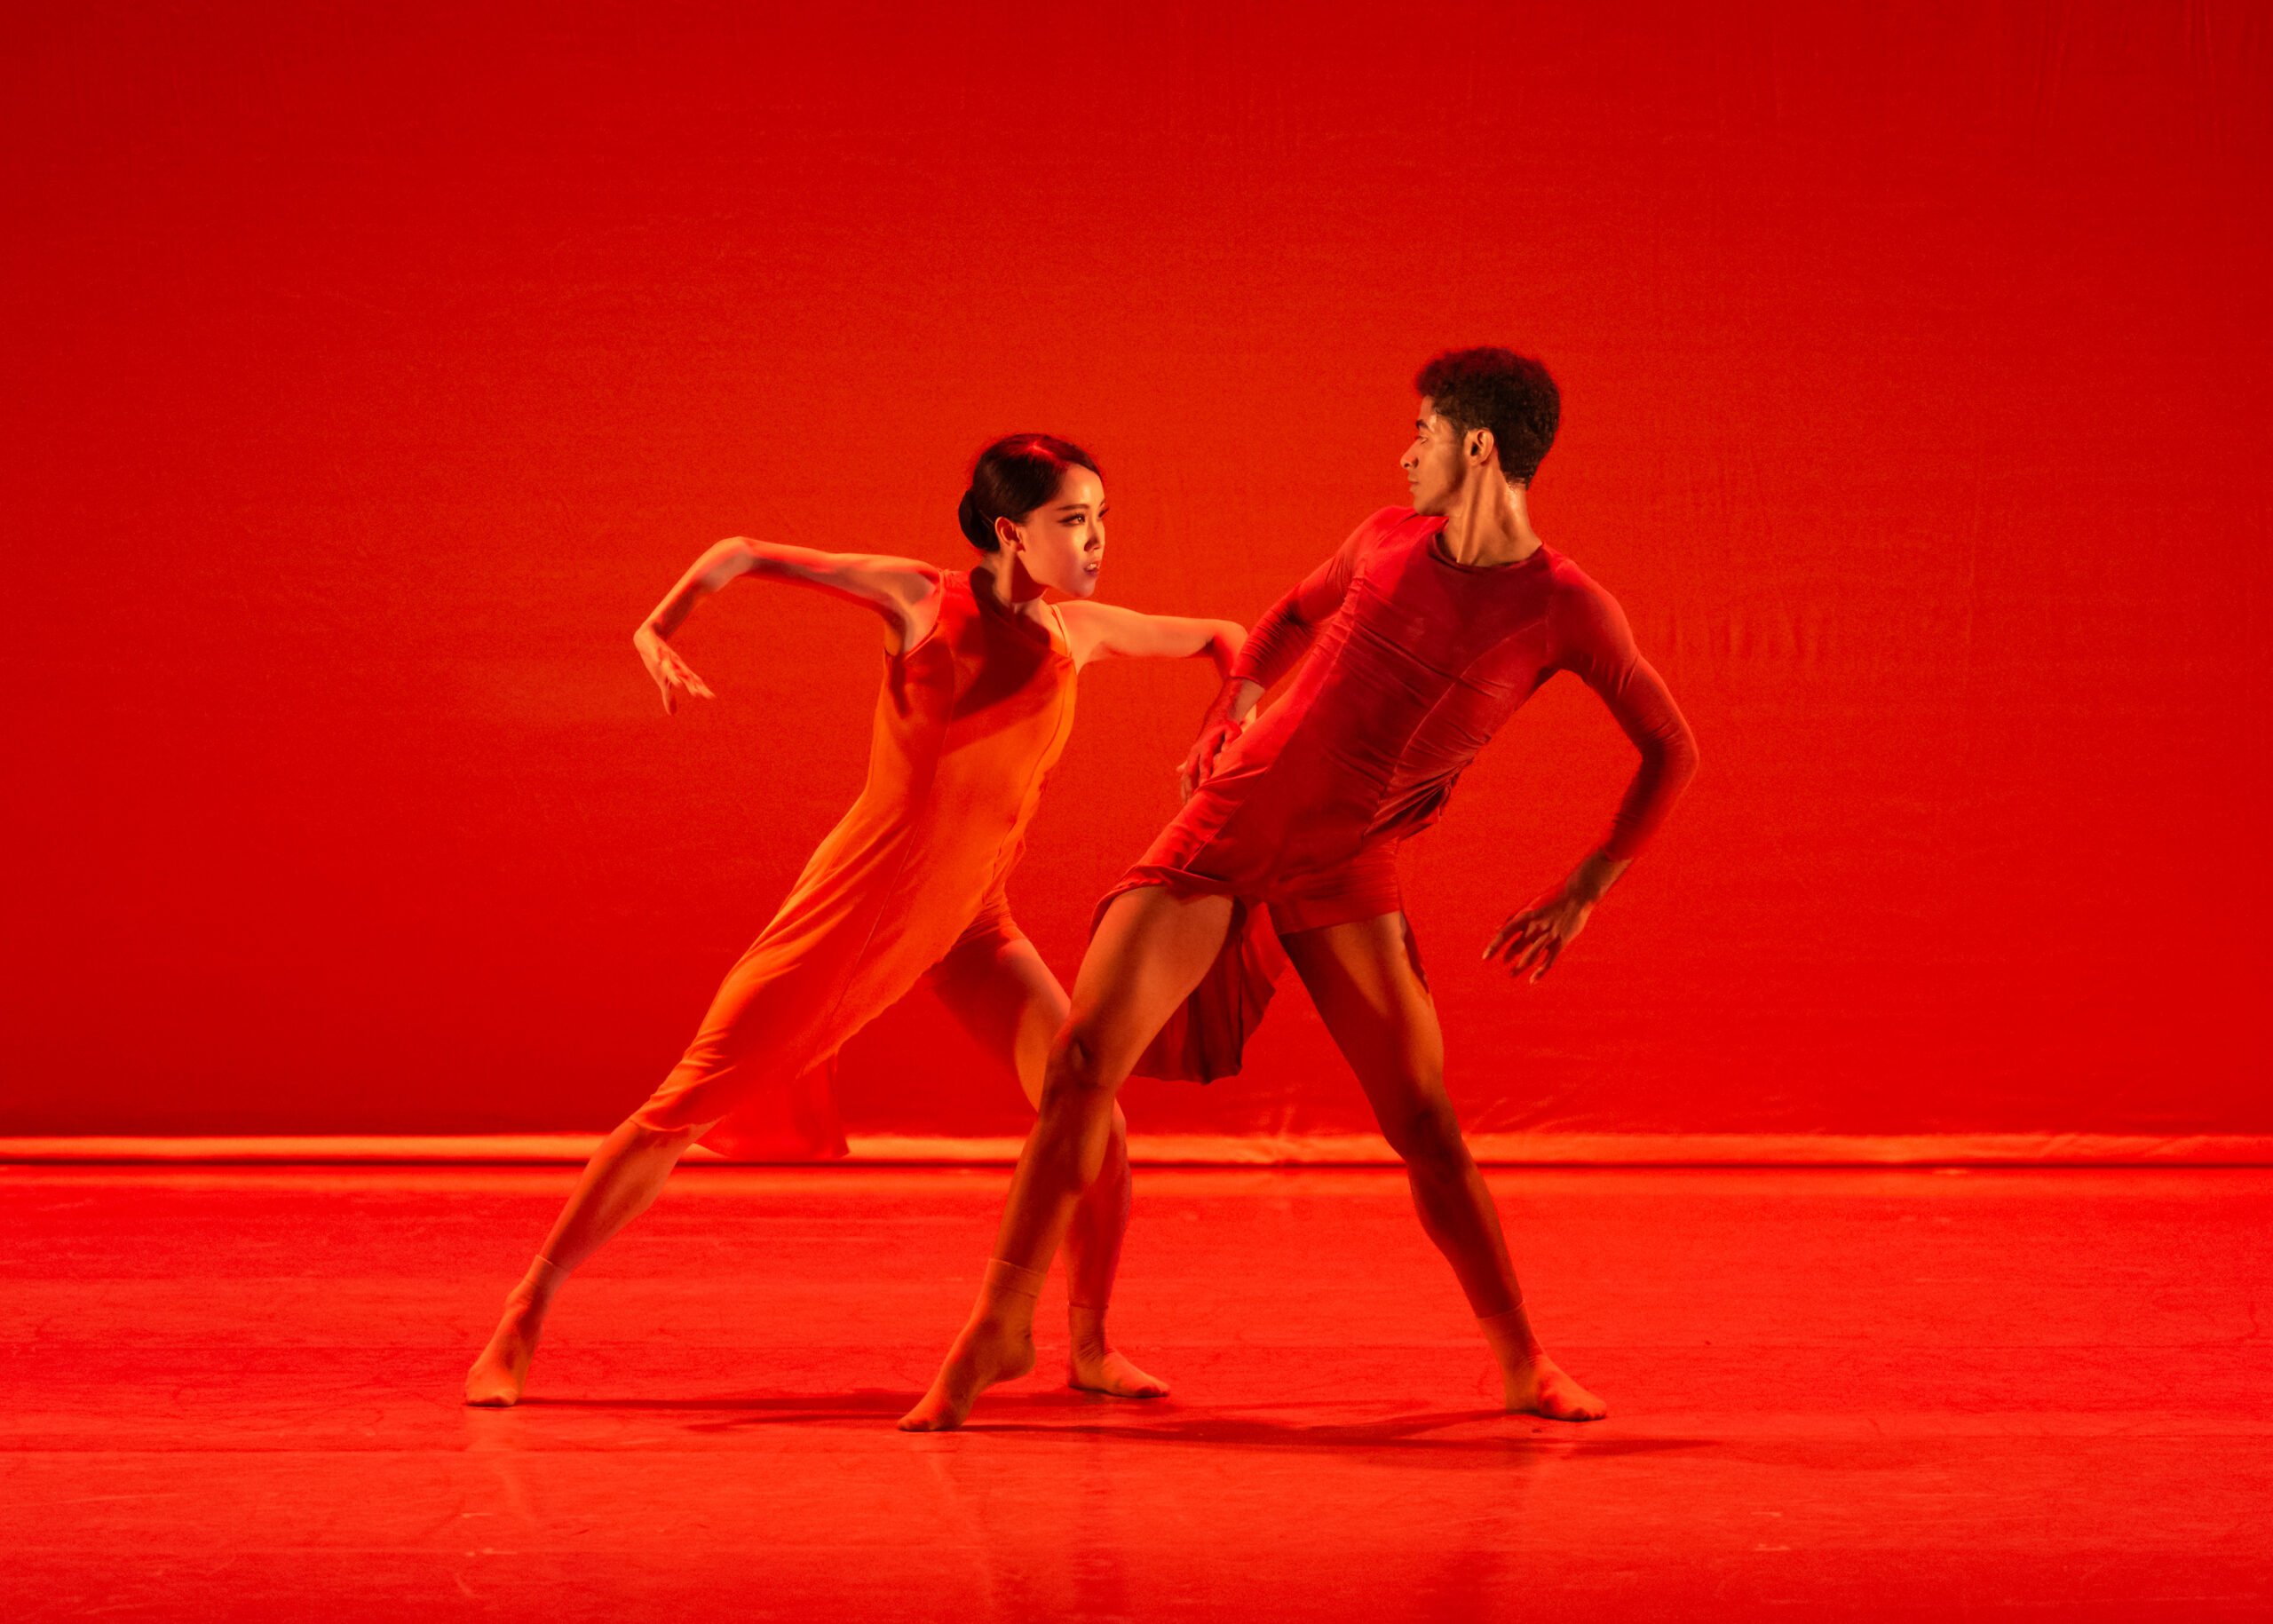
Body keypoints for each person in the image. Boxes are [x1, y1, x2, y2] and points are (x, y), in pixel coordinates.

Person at [903, 348, 1699, 1431]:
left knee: (1424, 1120)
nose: (1404, 452)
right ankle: (1002, 1322)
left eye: (1420, 433)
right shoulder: (1381, 537)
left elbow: (1670, 747)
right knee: (1084, 1058)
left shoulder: (1566, 608)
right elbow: (1283, 616)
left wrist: (1586, 884)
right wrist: (1233, 699)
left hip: (1344, 862)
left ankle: (1522, 1359)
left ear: (1474, 446)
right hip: (1233, 820)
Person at [465, 434, 1244, 1407]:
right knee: (678, 1109)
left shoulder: (1074, 634)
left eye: (1101, 520)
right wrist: (658, 626)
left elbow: (1226, 634)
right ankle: (525, 1311)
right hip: (856, 906)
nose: (1095, 542)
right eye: (1072, 521)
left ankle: (1088, 1343)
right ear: (1010, 530)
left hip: (971, 921)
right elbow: (744, 549)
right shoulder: (920, 599)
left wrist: (1229, 715)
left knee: (1093, 1117)